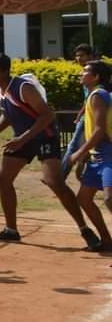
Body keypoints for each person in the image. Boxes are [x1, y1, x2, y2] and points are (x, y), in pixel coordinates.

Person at [0, 53, 101, 249]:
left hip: (44, 136)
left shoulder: (23, 87)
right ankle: (11, 230)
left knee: (55, 182)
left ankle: (84, 229)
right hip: (23, 138)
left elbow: (47, 115)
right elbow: (8, 113)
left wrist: (22, 139)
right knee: (2, 179)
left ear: (3, 71)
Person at [65, 60, 112, 251]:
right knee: (84, 198)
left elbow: (99, 130)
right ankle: (107, 241)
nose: (80, 74)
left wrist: (78, 153)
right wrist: (84, 159)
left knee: (109, 199)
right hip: (97, 156)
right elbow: (90, 129)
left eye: (85, 71)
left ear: (96, 77)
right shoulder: (92, 95)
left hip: (108, 154)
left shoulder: (98, 95)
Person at [63, 44, 98, 179]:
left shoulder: (95, 71)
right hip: (87, 113)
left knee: (73, 144)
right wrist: (80, 113)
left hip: (93, 114)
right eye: (77, 55)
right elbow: (87, 97)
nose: (78, 58)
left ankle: (61, 175)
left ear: (90, 56)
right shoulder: (85, 72)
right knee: (89, 143)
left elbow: (95, 95)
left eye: (82, 55)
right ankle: (83, 166)